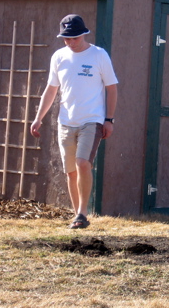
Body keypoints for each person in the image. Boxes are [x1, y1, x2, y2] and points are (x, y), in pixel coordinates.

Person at [30, 14, 118, 229]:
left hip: (92, 119)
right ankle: (77, 216)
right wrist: (38, 118)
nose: (70, 42)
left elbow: (112, 88)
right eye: (66, 39)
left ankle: (82, 212)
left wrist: (109, 119)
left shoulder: (99, 55)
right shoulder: (59, 57)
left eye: (74, 38)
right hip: (66, 121)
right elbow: (51, 89)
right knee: (70, 170)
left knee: (82, 163)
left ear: (84, 34)